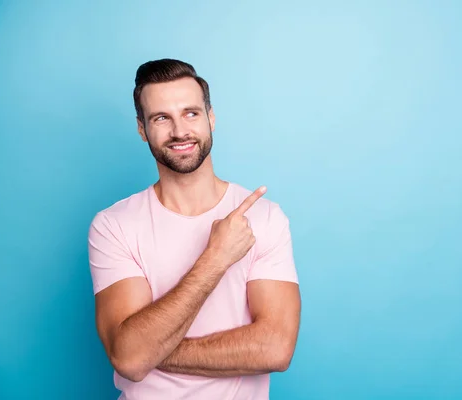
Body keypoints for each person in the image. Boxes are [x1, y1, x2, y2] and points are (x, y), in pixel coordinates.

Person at [87, 58, 301, 399]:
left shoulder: (264, 217)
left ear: (210, 118)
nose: (180, 131)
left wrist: (152, 351)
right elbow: (128, 358)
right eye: (161, 118)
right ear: (142, 129)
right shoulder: (113, 226)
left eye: (191, 113)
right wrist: (217, 257)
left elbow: (276, 348)